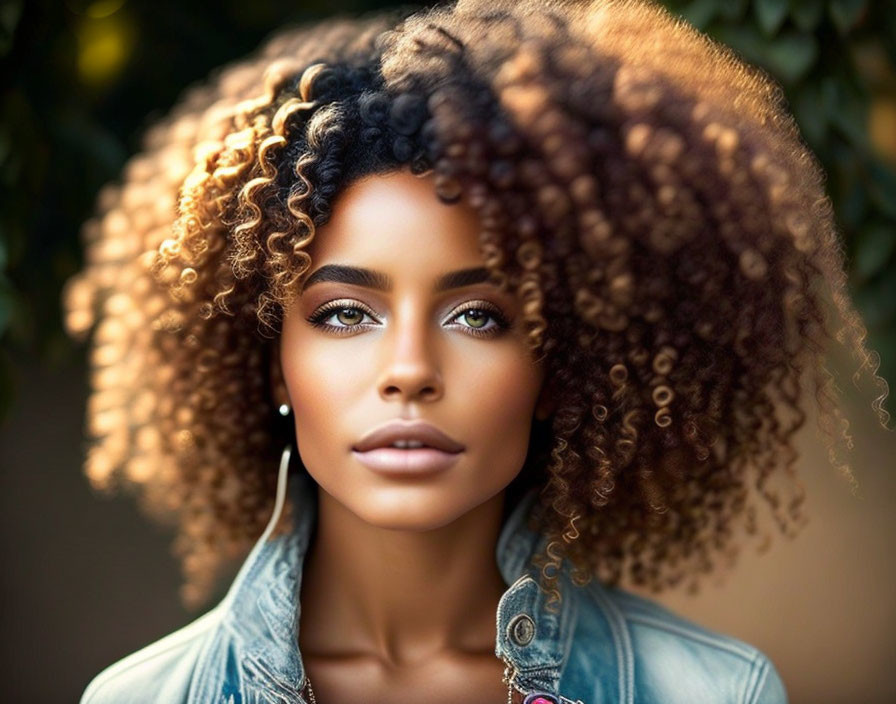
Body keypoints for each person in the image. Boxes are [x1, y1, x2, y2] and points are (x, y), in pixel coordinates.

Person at [63, 0, 889, 702]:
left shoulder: (712, 692)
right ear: (273, 360)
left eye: (480, 317)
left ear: (564, 369)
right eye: (347, 313)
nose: (411, 370)